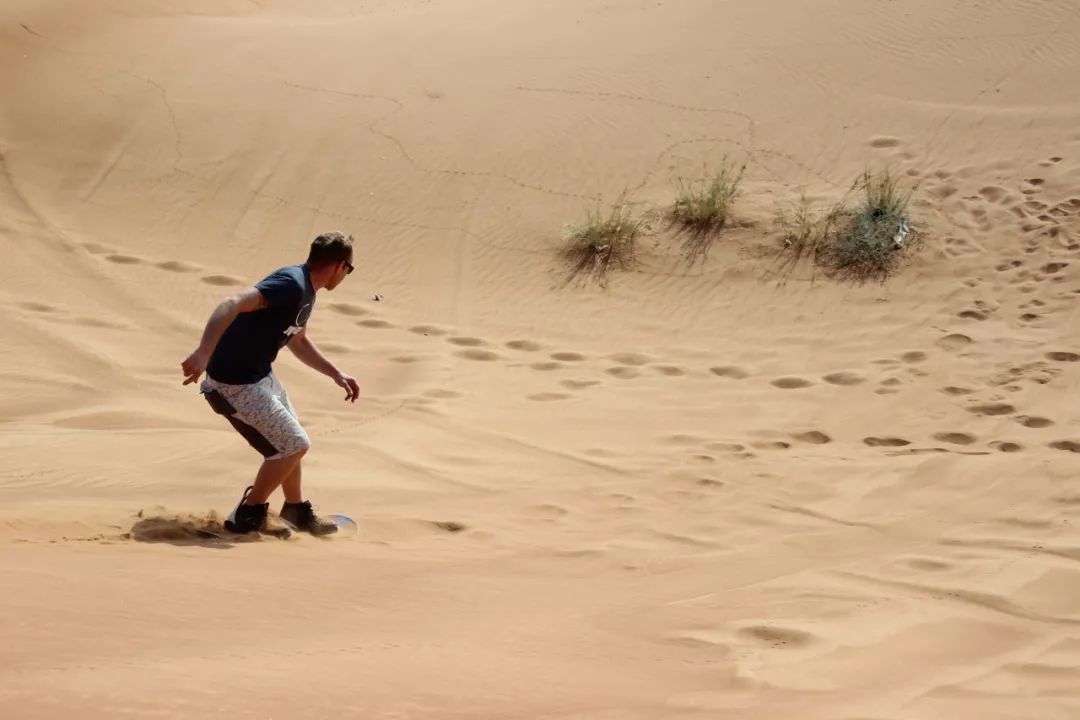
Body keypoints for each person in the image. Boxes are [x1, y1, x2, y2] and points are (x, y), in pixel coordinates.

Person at [180, 232, 361, 536]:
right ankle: (247, 514)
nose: (347, 276)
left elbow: (298, 340)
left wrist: (335, 373)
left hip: (260, 376)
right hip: (234, 384)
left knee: (292, 440)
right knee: (295, 444)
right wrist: (204, 351)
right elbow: (232, 302)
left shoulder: (307, 290)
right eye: (350, 269)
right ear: (340, 266)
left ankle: (295, 510)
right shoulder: (291, 283)